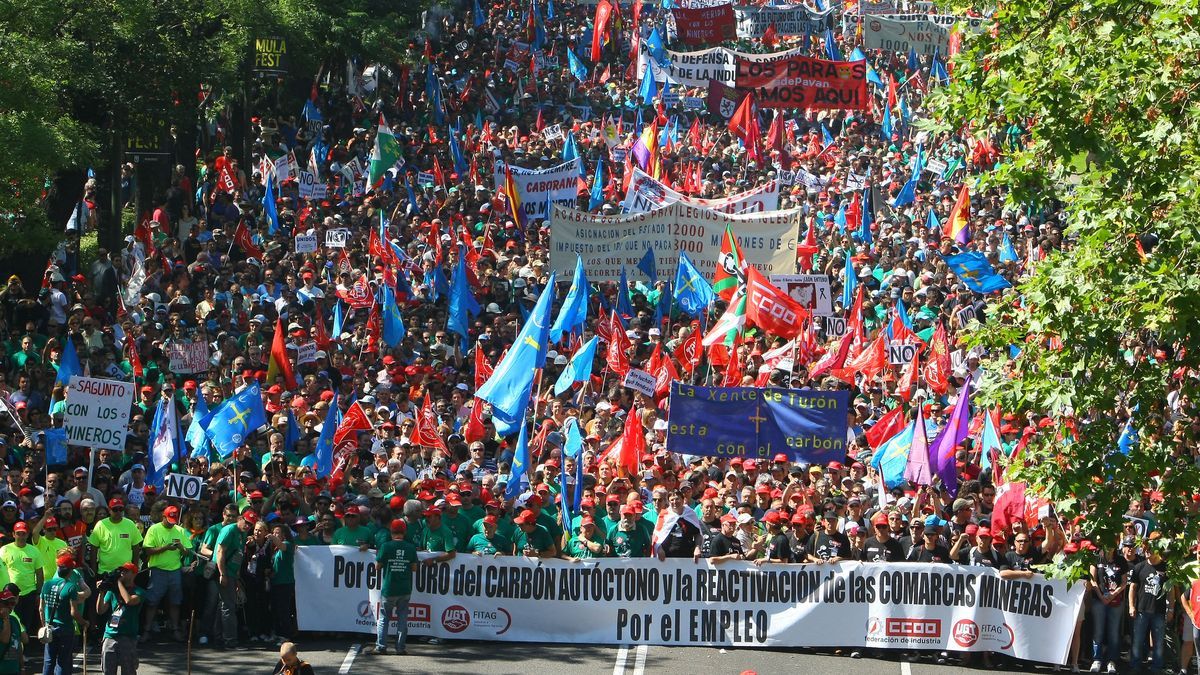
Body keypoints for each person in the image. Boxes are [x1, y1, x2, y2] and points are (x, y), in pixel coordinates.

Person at [363, 519, 417, 656]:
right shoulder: (410, 547)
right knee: (402, 618)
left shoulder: (386, 546)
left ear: (391, 532)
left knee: (384, 618)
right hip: (405, 589)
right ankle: (400, 648)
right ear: (404, 532)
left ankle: (381, 647)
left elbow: (377, 567)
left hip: (389, 589)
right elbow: (414, 568)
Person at [140, 504, 190, 643]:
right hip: (157, 571)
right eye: (169, 520)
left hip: (175, 571)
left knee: (175, 601)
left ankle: (175, 630)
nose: (171, 523)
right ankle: (147, 630)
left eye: (173, 521)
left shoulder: (179, 530)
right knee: (152, 602)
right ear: (163, 517)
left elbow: (187, 552)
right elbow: (148, 550)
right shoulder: (154, 529)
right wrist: (165, 548)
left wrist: (181, 547)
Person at [40, 549, 90, 675]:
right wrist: (84, 622)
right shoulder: (70, 587)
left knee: (49, 660)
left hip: (50, 626)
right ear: (70, 570)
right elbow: (74, 612)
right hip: (65, 627)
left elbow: (41, 608)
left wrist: (44, 625)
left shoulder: (47, 584)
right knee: (63, 660)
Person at [1128, 539, 1172, 673]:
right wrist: (1131, 606)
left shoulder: (1166, 568)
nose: (1146, 552)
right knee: (1137, 641)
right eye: (1145, 549)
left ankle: (1157, 667)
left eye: (1149, 549)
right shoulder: (1139, 567)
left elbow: (1170, 591)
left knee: (1158, 642)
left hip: (1158, 611)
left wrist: (1171, 609)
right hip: (1141, 610)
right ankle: (1135, 665)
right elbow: (1132, 588)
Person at [214, 509, 256, 649]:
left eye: (251, 525)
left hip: (232, 573)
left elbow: (238, 554)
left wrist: (236, 576)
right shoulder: (229, 530)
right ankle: (230, 641)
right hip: (224, 571)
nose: (248, 526)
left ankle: (219, 636)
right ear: (240, 518)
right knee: (228, 606)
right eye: (247, 522)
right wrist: (222, 574)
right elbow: (220, 552)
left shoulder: (242, 533)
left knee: (224, 605)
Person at [97, 562, 144, 675]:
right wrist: (101, 592)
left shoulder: (139, 591)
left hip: (127, 636)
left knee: (128, 671)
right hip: (110, 635)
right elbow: (100, 610)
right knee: (108, 671)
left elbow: (129, 601)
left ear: (134, 574)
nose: (122, 573)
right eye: (121, 570)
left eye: (126, 571)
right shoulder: (112, 591)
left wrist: (118, 582)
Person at [0, 521, 43, 636]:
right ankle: (13, 644)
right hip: (10, 594)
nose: (21, 536)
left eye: (23, 533)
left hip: (29, 592)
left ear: (28, 534)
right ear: (13, 534)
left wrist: (39, 593)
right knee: (12, 620)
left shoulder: (34, 551)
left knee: (26, 622)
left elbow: (39, 573)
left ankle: (24, 647)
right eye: (18, 533)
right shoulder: (4, 550)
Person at [87, 498, 142, 575]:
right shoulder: (100, 524)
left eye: (121, 509)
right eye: (115, 509)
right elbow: (93, 549)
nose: (118, 512)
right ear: (109, 510)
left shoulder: (130, 524)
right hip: (105, 572)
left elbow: (136, 548)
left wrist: (134, 569)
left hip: (126, 571)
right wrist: (94, 571)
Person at [0, 590, 24, 675]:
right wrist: (5, 619)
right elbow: (4, 640)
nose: (10, 606)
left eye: (12, 603)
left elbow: (19, 644)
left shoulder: (14, 620)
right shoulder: (5, 620)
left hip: (14, 670)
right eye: (6, 603)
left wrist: (22, 667)